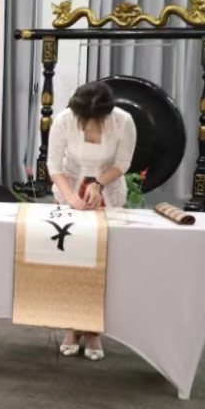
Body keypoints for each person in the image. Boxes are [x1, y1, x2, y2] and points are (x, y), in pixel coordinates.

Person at [47, 80, 137, 361]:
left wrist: (98, 184)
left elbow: (123, 163)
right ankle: (72, 326)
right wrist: (69, 197)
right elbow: (54, 166)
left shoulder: (123, 121)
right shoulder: (64, 120)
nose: (85, 123)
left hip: (107, 192)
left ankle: (94, 330)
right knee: (71, 263)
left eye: (92, 119)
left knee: (101, 264)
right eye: (81, 117)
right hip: (70, 191)